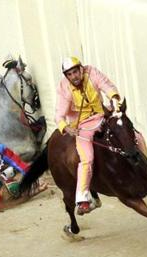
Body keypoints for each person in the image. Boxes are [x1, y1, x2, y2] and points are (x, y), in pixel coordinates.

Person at [54, 56, 121, 215]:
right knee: (87, 158)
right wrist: (66, 128)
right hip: (83, 125)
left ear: (81, 69)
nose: (73, 77)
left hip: (103, 115)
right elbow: (59, 116)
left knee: (131, 134)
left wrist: (114, 99)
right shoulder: (64, 87)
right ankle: (83, 199)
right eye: (69, 74)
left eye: (75, 72)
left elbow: (107, 85)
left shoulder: (92, 72)